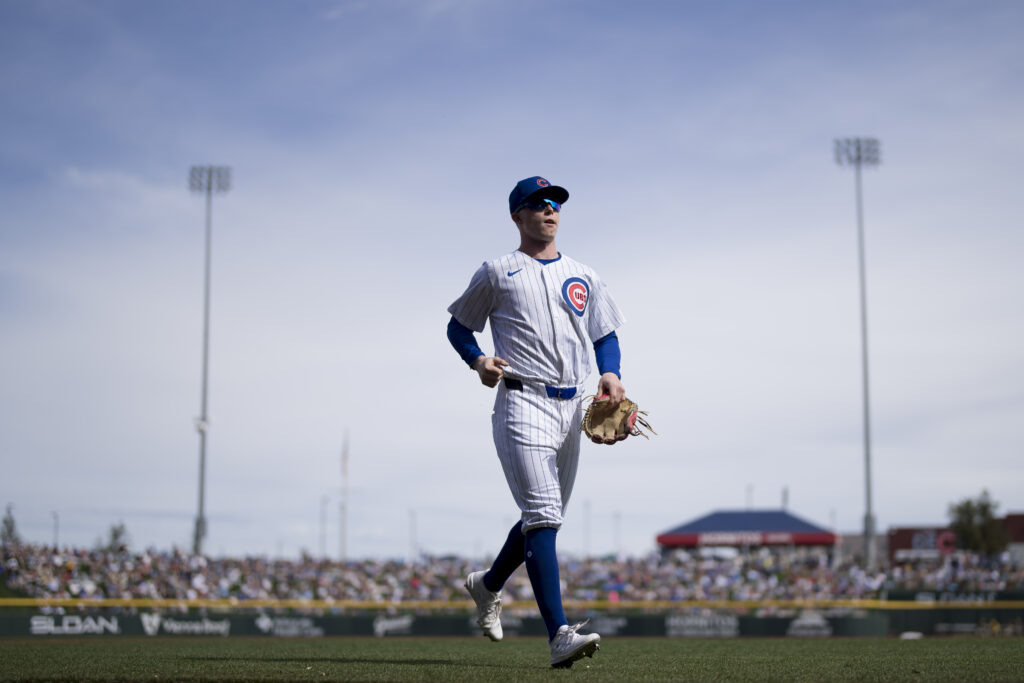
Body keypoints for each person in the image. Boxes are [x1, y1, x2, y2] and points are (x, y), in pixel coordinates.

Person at [446, 176, 628, 668]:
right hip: (522, 400)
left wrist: (610, 373)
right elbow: (459, 326)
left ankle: (486, 586)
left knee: (541, 519)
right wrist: (478, 360)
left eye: (556, 205)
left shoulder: (583, 275)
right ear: (517, 216)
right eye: (538, 204)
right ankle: (559, 636)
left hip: (572, 408)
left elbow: (604, 334)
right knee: (544, 514)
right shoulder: (497, 272)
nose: (550, 211)